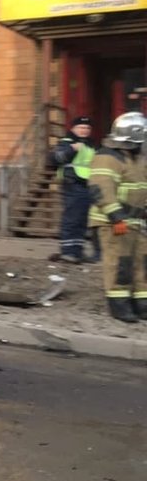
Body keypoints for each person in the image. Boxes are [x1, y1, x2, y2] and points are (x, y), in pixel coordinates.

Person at [88, 111, 147, 323]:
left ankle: (141, 302)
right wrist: (116, 217)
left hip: (136, 221)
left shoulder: (137, 158)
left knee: (142, 262)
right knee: (120, 263)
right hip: (113, 222)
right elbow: (100, 188)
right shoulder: (107, 156)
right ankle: (119, 304)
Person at [51, 116, 96, 264]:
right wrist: (71, 149)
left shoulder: (90, 145)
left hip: (86, 185)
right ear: (73, 129)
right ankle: (68, 252)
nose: (84, 130)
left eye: (87, 128)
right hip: (72, 184)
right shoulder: (66, 142)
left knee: (81, 220)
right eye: (81, 128)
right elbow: (55, 159)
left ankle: (77, 251)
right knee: (71, 219)